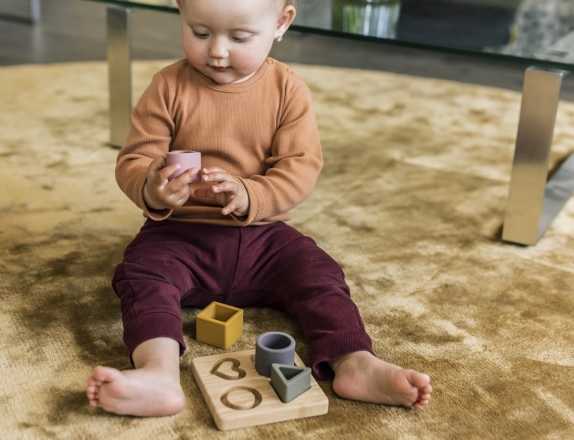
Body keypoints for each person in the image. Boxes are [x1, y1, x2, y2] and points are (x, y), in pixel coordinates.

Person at [86, 0, 432, 417]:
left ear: (281, 23)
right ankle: (158, 372)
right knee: (142, 275)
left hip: (264, 236)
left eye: (239, 37)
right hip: (178, 234)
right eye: (200, 32)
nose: (216, 50)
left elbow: (300, 167)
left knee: (319, 274)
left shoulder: (287, 89)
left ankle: (354, 362)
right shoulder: (167, 86)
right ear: (180, 12)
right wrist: (153, 188)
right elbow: (134, 159)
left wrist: (253, 194)